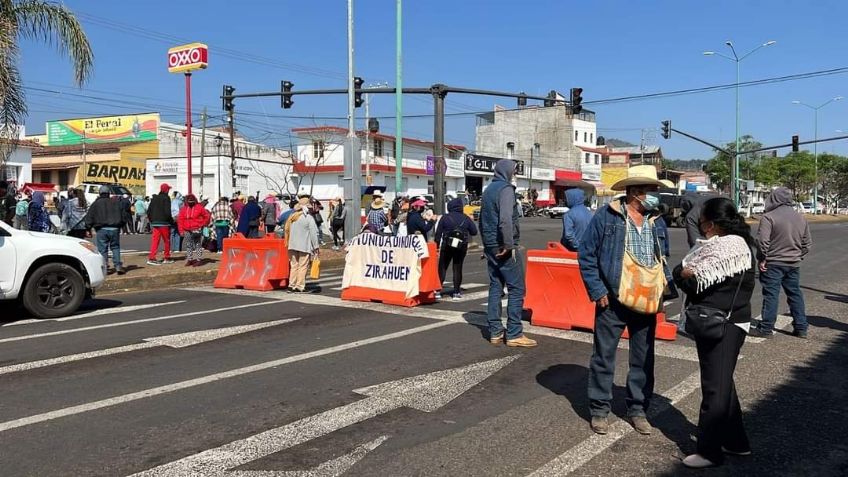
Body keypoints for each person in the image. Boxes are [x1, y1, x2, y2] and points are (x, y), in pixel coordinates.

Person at [578, 165, 673, 436]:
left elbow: (662, 258)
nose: (655, 195)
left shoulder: (657, 220)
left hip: (646, 301)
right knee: (603, 357)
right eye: (650, 190)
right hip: (613, 300)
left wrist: (662, 291)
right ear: (635, 192)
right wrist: (598, 290)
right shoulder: (607, 217)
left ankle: (638, 410)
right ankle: (599, 410)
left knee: (643, 358)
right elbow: (586, 254)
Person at [673, 197, 756, 468]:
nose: (700, 225)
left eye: (702, 220)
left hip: (721, 324)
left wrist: (679, 273)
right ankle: (736, 442)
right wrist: (683, 273)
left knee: (714, 388)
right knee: (722, 381)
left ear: (711, 223)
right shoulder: (740, 244)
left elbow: (696, 284)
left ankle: (710, 451)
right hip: (728, 322)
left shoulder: (725, 248)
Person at [480, 159, 536, 348]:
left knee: (496, 286)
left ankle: (495, 331)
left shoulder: (488, 190)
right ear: (507, 172)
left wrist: (486, 244)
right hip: (503, 245)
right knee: (517, 288)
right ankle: (514, 333)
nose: (516, 175)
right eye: (514, 172)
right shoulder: (505, 190)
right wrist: (508, 244)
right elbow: (505, 219)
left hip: (490, 244)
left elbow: (482, 219)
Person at [749, 186, 812, 339]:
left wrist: (763, 258)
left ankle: (766, 328)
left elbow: (762, 241)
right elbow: (807, 243)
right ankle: (801, 327)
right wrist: (797, 255)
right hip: (793, 263)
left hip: (774, 263)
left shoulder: (768, 217)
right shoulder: (800, 217)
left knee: (771, 295)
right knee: (795, 294)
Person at [434, 197, 478, 300]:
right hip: (461, 246)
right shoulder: (465, 218)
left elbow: (438, 234)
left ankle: (437, 291)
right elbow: (474, 232)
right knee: (457, 268)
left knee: (442, 267)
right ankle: (456, 292)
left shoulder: (445, 217)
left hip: (446, 246)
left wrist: (436, 246)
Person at [84, 185, 126, 275]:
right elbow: (123, 216)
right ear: (108, 193)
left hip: (101, 229)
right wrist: (121, 225)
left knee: (103, 249)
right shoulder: (116, 202)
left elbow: (89, 217)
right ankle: (118, 266)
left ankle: (105, 267)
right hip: (115, 228)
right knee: (115, 247)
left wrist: (88, 228)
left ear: (100, 193)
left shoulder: (96, 203)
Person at [285, 203, 319, 293]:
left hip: (292, 245)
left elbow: (287, 230)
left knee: (294, 266)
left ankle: (291, 285)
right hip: (304, 245)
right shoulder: (308, 218)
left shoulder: (292, 218)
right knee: (302, 266)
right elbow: (313, 234)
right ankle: (299, 286)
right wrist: (316, 247)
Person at [177, 194, 211, 267]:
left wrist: (202, 224)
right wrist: (181, 230)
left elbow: (207, 216)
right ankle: (190, 259)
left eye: (192, 201)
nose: (190, 202)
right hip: (186, 229)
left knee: (197, 244)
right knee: (189, 245)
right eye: (189, 201)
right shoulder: (184, 209)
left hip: (196, 229)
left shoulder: (199, 208)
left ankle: (199, 259)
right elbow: (180, 220)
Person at [147, 183, 175, 265]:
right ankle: (167, 257)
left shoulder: (154, 198)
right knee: (167, 241)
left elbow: (149, 211)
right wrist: (170, 221)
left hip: (155, 223)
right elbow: (167, 212)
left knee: (155, 241)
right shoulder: (166, 198)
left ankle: (152, 257)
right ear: (166, 190)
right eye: (168, 189)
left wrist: (152, 220)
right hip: (164, 223)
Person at [561, 187, 592, 252]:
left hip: (572, 249)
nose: (565, 200)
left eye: (566, 198)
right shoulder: (589, 213)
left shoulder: (569, 214)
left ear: (573, 198)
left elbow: (568, 235)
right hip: (588, 248)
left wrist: (577, 247)